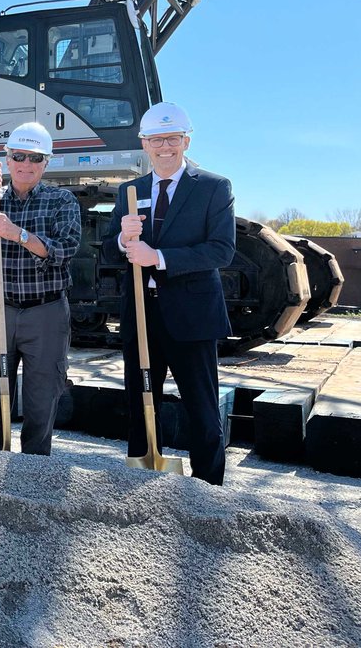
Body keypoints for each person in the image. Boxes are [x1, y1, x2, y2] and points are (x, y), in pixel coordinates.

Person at [103, 102, 234, 485]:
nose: (165, 147)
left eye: (172, 138)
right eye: (156, 139)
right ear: (144, 143)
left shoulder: (213, 187)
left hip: (192, 317)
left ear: (186, 141)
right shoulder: (130, 191)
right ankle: (143, 484)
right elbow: (108, 251)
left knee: (202, 409)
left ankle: (209, 490)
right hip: (141, 316)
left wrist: (158, 257)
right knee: (141, 404)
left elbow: (221, 250)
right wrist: (123, 240)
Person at [0, 121, 81, 456]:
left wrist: (18, 235)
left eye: (35, 158)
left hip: (45, 311)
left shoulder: (62, 200)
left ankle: (34, 467)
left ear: (46, 163)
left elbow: (64, 250)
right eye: (19, 156)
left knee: (43, 395)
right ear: (8, 159)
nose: (26, 164)